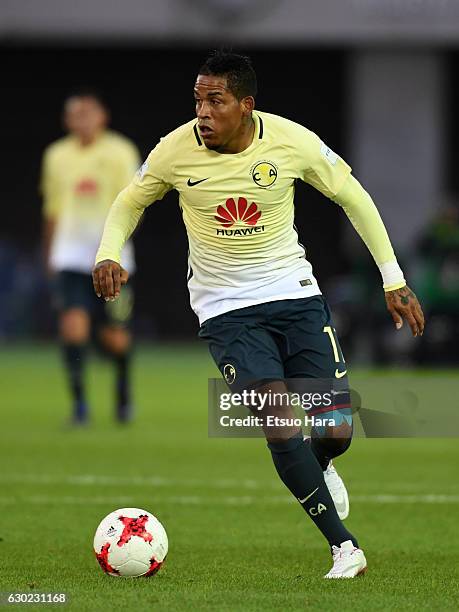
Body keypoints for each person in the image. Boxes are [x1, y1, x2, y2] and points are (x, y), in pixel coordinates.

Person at [92, 52, 425, 578]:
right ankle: (345, 548)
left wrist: (394, 279)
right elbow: (131, 200)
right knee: (278, 419)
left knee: (335, 430)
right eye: (198, 99)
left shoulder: (292, 142)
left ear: (246, 106)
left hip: (294, 295)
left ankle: (323, 463)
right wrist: (108, 252)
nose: (202, 112)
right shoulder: (175, 150)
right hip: (226, 309)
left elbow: (353, 197)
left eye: (215, 101)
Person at [41, 91, 140, 424]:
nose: (82, 119)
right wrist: (50, 253)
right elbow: (52, 208)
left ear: (103, 116)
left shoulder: (120, 151)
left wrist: (117, 247)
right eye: (75, 114)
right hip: (70, 258)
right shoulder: (56, 155)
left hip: (111, 260)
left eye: (88, 113)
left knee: (114, 338)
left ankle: (123, 393)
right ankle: (80, 406)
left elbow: (134, 204)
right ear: (67, 120)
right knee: (73, 329)